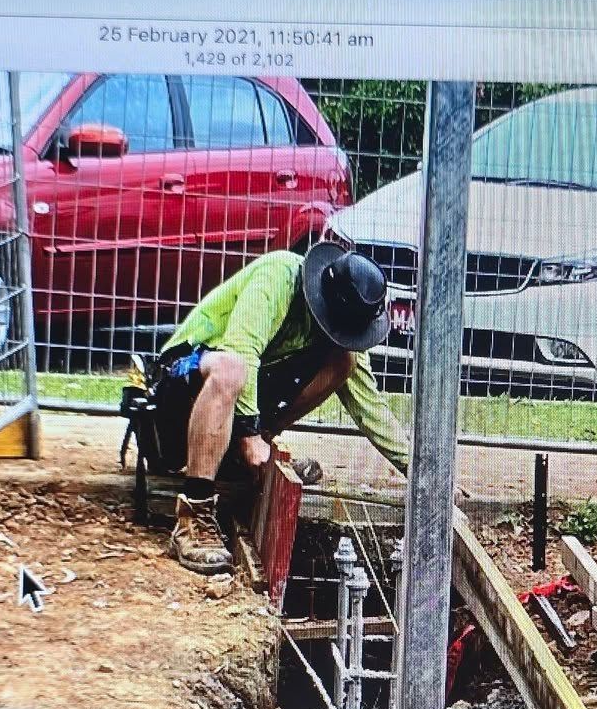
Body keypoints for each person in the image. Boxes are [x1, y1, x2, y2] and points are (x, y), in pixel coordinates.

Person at [156, 241, 411, 575]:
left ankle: (246, 457)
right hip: (185, 379)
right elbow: (241, 349)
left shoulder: (343, 331)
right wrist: (248, 433)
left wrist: (421, 473)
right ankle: (194, 515)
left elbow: (369, 405)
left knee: (342, 364)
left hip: (234, 400)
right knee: (233, 368)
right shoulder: (280, 276)